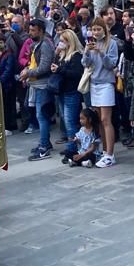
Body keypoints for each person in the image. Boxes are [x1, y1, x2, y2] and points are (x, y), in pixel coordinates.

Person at [83, 18, 119, 167]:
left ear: (104, 29)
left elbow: (111, 64)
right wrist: (86, 51)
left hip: (106, 83)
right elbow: (85, 64)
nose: (96, 32)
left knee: (106, 119)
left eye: (99, 29)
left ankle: (110, 154)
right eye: (94, 29)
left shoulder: (112, 43)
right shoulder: (90, 42)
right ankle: (104, 151)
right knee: (99, 119)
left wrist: (101, 53)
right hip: (94, 83)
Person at [21, 19, 56, 162]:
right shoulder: (36, 44)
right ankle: (45, 142)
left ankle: (44, 146)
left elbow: (44, 68)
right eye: (30, 30)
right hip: (36, 84)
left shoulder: (46, 45)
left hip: (43, 85)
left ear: (41, 31)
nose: (30, 33)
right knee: (40, 115)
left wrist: (28, 73)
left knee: (42, 116)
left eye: (33, 30)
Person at [50, 29, 84, 157]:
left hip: (72, 91)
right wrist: (56, 54)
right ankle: (71, 145)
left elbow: (76, 74)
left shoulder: (76, 56)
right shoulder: (63, 55)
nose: (61, 43)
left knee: (70, 121)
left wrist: (60, 69)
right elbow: (54, 67)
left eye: (63, 41)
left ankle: (73, 147)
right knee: (65, 119)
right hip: (62, 91)